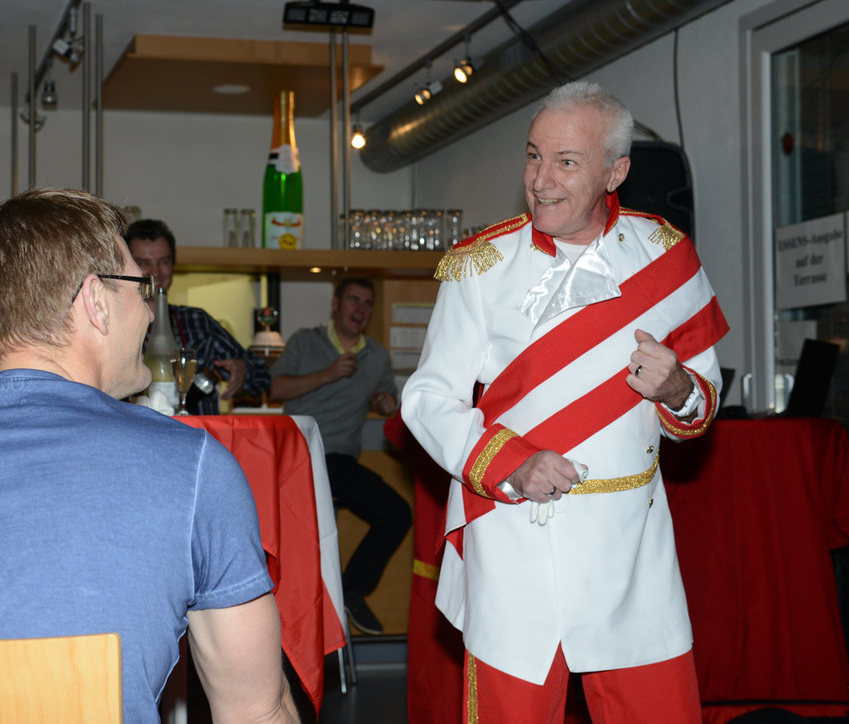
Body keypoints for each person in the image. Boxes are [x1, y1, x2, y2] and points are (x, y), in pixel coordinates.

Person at [0, 188, 299, 724]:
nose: (150, 311)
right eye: (141, 288)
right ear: (96, 301)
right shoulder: (193, 467)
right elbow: (256, 712)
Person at [400, 81, 729, 722]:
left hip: (633, 553)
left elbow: (701, 406)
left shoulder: (666, 255)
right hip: (515, 539)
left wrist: (677, 390)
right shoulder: (480, 266)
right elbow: (427, 397)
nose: (540, 179)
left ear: (616, 172)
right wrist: (511, 462)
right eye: (533, 156)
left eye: (566, 161)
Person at [269, 277, 412, 636]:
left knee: (397, 513)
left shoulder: (376, 356)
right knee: (390, 511)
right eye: (353, 300)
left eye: (367, 303)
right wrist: (328, 374)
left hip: (338, 460)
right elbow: (274, 388)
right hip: (297, 456)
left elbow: (388, 400)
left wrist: (387, 404)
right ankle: (327, 601)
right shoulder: (305, 341)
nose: (360, 309)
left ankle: (350, 590)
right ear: (335, 304)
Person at [125, 218, 270, 414]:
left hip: (198, 431)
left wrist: (242, 368)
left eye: (164, 262)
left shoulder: (197, 321)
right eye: (144, 263)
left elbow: (263, 376)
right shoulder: (114, 325)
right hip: (139, 431)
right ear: (127, 267)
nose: (156, 272)